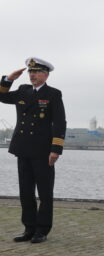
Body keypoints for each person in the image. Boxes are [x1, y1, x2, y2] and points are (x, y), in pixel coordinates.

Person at [0, 57, 67, 243]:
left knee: (45, 193)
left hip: (43, 150)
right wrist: (8, 79)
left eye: (36, 72)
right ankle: (29, 228)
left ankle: (42, 230)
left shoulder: (53, 94)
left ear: (45, 75)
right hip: (23, 148)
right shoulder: (23, 90)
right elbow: (2, 96)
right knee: (25, 192)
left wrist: (56, 149)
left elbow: (60, 122)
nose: (32, 75)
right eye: (30, 72)